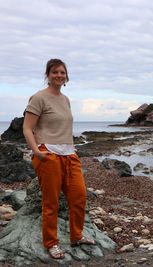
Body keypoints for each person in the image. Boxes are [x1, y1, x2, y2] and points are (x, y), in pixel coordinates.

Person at [23, 59, 95, 259]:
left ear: (66, 76)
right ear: (47, 75)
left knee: (79, 197)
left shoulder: (65, 99)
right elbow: (27, 128)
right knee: (51, 202)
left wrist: (71, 148)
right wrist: (36, 151)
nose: (59, 75)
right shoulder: (38, 98)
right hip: (48, 154)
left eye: (62, 72)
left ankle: (76, 236)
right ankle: (51, 243)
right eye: (55, 72)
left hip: (70, 154)